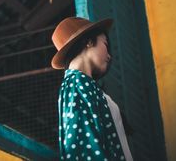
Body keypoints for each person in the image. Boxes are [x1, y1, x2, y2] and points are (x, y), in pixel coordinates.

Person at [51, 17, 133, 161]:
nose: (109, 56)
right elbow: (85, 149)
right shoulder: (77, 82)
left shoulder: (83, 85)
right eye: (106, 44)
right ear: (89, 41)